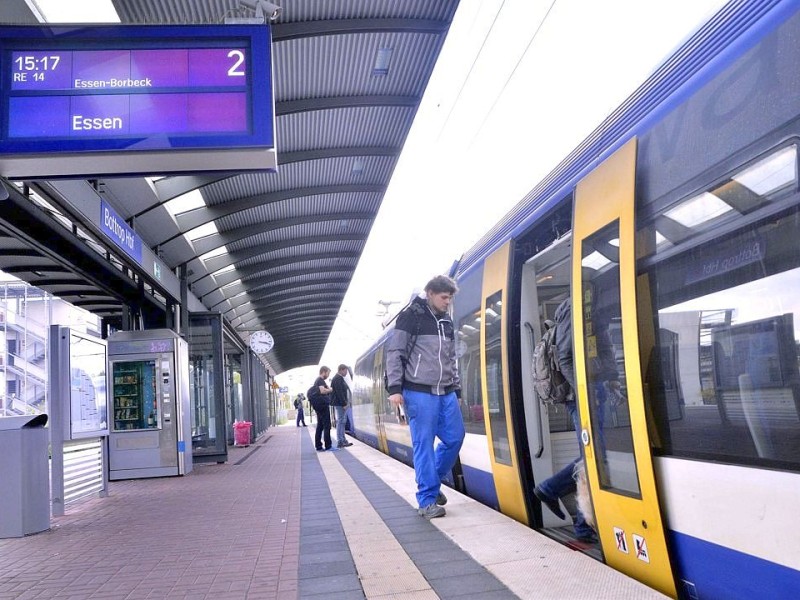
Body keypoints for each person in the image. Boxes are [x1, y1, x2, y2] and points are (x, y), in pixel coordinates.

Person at [533, 298, 618, 543]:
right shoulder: (578, 306)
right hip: (580, 392)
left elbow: (604, 345)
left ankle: (577, 517)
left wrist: (612, 378)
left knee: (594, 457)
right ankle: (557, 497)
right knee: (594, 457)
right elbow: (565, 357)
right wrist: (584, 391)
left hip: (594, 387)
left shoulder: (595, 305)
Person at [386, 275, 465, 520]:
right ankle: (427, 500)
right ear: (430, 293)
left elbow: (451, 359)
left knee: (455, 438)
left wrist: (457, 388)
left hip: (446, 391)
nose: (447, 302)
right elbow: (395, 352)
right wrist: (395, 389)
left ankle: (434, 481)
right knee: (424, 445)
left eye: (450, 298)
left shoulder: (446, 321)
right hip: (418, 391)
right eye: (444, 297)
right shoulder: (411, 316)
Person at [312, 366, 335, 451]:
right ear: (324, 372)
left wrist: (328, 388)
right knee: (327, 425)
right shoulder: (320, 380)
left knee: (320, 426)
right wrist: (330, 390)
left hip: (319, 406)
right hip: (322, 406)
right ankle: (328, 446)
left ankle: (318, 446)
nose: (328, 375)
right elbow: (322, 391)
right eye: (328, 373)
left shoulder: (318, 381)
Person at [330, 364, 353, 448]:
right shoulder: (337, 379)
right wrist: (344, 403)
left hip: (340, 404)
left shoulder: (338, 378)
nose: (346, 373)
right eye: (345, 371)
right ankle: (340, 441)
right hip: (340, 404)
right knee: (341, 421)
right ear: (341, 370)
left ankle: (343, 440)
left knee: (342, 421)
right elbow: (339, 392)